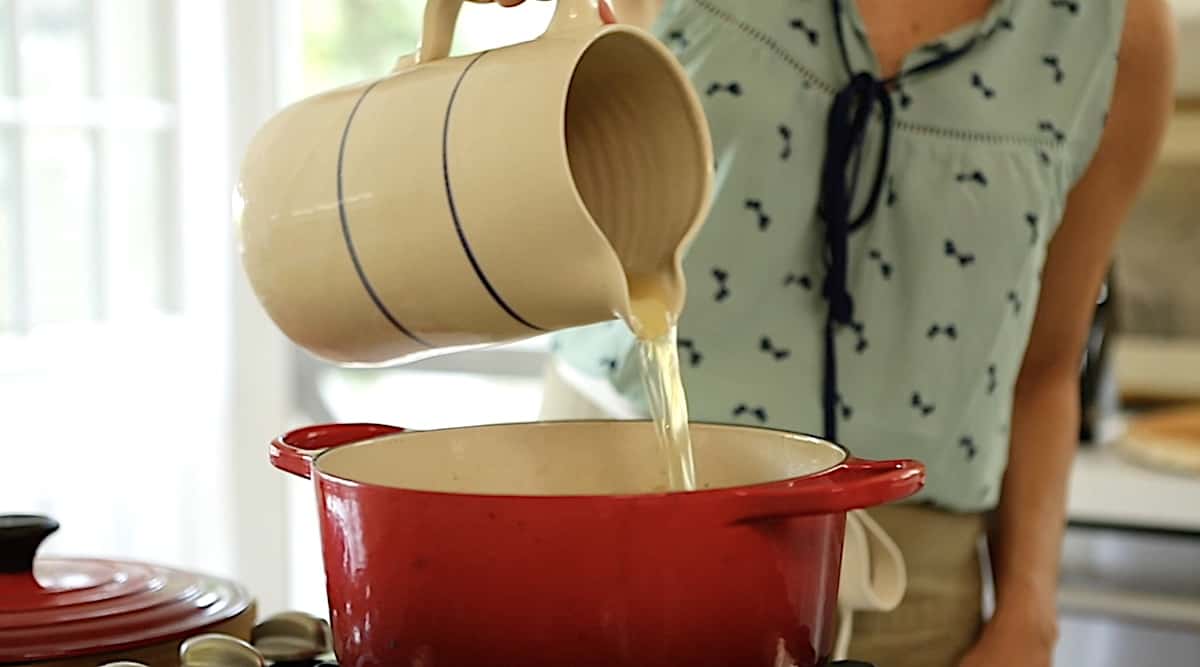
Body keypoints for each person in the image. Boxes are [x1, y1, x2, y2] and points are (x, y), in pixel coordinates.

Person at [477, 0, 1175, 665]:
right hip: (601, 537)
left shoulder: (1116, 33)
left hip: (912, 606)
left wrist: (1029, 614)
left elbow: (1046, 367)